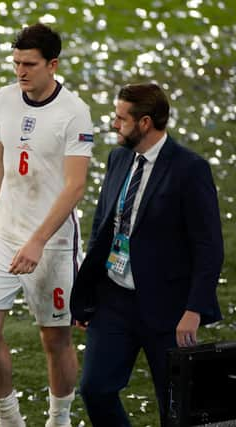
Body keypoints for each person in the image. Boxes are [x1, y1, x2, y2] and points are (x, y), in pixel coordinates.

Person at [70, 83, 223, 426]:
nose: (113, 124)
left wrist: (194, 309)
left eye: (121, 118)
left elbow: (209, 245)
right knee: (95, 389)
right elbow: (104, 226)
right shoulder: (119, 157)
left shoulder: (189, 169)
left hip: (168, 307)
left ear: (145, 123)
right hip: (113, 299)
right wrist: (88, 293)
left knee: (174, 406)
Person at [0, 23, 94, 427]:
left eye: (29, 64)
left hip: (53, 243)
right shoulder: (5, 98)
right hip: (5, 233)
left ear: (52, 64)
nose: (20, 72)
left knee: (54, 338)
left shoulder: (74, 112)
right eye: (16, 63)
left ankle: (58, 421)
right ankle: (10, 419)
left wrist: (39, 241)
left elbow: (76, 186)